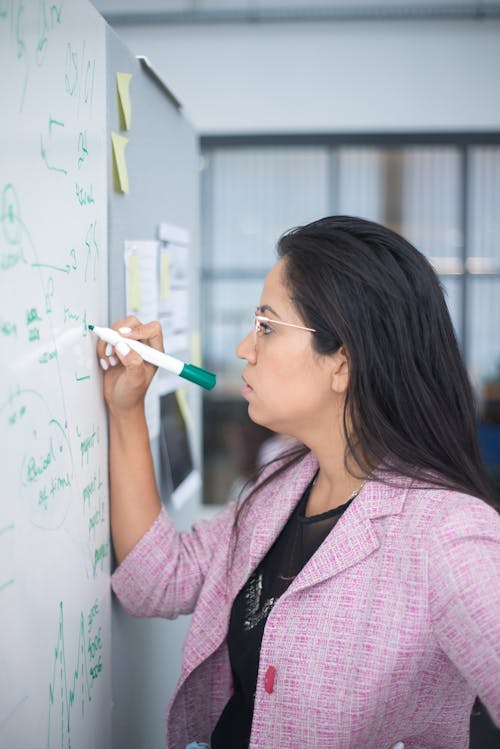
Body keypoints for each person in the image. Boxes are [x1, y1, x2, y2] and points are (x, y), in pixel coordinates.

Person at [98, 216, 500, 749]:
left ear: (343, 363)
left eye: (266, 326)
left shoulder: (448, 535)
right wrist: (126, 410)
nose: (245, 347)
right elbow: (158, 579)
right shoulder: (283, 479)